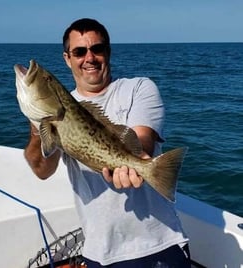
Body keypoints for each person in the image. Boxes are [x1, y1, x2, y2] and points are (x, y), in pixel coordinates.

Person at [23, 18, 191, 267]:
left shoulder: (138, 88)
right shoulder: (57, 112)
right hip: (100, 251)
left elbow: (142, 138)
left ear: (108, 52)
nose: (89, 57)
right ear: (67, 59)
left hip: (159, 243)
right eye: (79, 51)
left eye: (97, 49)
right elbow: (41, 169)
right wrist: (38, 125)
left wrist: (140, 162)